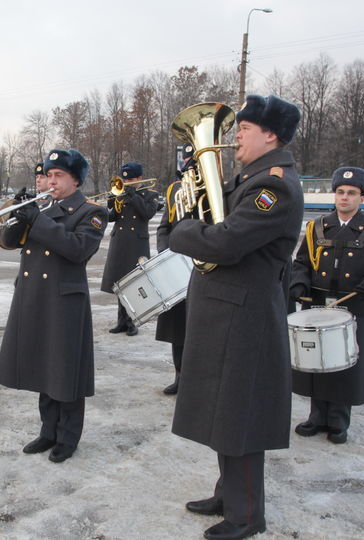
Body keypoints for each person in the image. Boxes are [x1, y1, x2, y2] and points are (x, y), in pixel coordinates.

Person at [169, 94, 303, 540]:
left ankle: (248, 516)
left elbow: (226, 243)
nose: (235, 136)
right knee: (224, 413)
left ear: (271, 135)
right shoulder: (251, 179)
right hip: (227, 311)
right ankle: (228, 494)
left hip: (246, 318)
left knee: (240, 417)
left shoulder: (275, 186)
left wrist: (183, 231)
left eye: (243, 129)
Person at [0, 148, 108, 463]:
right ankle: (48, 431)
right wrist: (18, 215)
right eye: (48, 175)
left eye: (58, 176)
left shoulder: (91, 211)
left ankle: (68, 436)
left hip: (64, 300)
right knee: (43, 366)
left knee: (65, 370)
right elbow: (11, 240)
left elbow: (77, 249)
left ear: (75, 180)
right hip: (34, 295)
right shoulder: (42, 206)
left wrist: (38, 221)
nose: (50, 181)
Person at [289, 167, 364, 444]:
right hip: (318, 306)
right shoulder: (316, 227)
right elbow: (302, 263)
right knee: (317, 363)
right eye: (341, 193)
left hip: (352, 308)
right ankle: (316, 417)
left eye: (352, 193)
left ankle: (338, 421)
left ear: (362, 197)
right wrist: (299, 285)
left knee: (344, 366)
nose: (344, 198)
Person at [100, 162, 160, 336]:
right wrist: (111, 201)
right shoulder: (122, 194)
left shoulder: (150, 194)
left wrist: (134, 196)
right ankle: (121, 322)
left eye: (131, 180)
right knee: (119, 283)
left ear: (140, 179)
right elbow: (111, 217)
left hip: (137, 243)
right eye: (124, 179)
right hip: (119, 242)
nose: (127, 183)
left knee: (134, 284)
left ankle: (132, 322)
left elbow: (147, 213)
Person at [155, 147, 195, 394]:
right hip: (176, 265)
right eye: (188, 161)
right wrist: (166, 254)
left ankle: (197, 381)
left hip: (204, 266)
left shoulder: (218, 188)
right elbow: (164, 227)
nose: (189, 165)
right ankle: (180, 376)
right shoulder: (174, 190)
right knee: (177, 326)